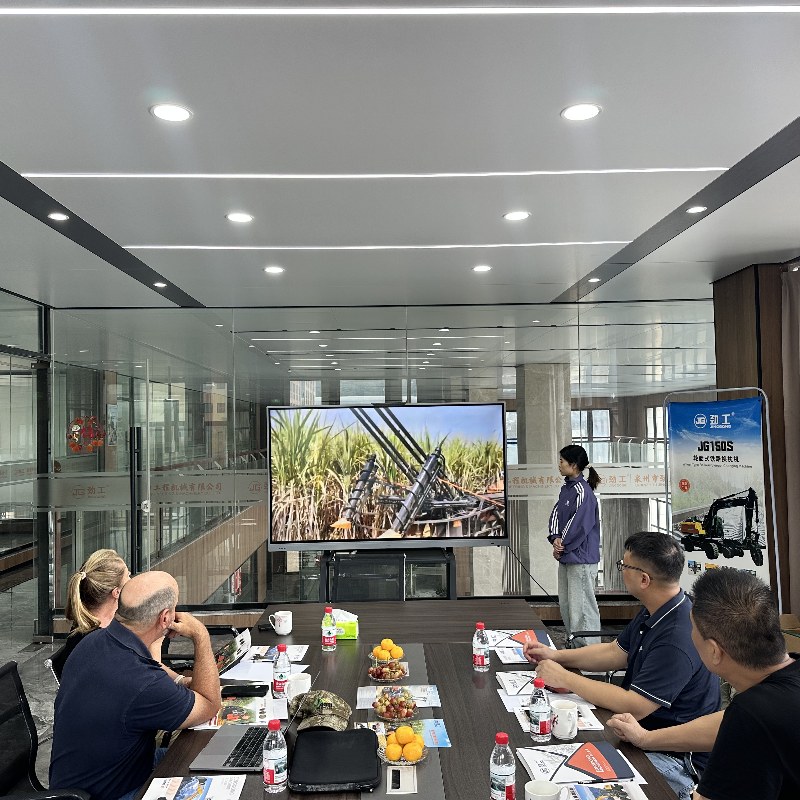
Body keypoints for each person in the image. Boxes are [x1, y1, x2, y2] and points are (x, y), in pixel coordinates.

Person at [523, 531, 720, 800]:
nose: (621, 570)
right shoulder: (659, 608)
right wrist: (557, 656)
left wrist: (566, 678)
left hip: (672, 759)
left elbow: (635, 705)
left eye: (624, 566)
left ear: (644, 579)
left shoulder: (676, 635)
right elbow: (615, 652)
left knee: (566, 781)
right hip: (634, 733)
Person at [607, 568, 800, 800]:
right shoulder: (775, 693)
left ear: (714, 651)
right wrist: (645, 738)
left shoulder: (752, 714)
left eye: (692, 630)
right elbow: (725, 722)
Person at [49, 571, 222, 800]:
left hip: (90, 780)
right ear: (165, 618)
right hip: (111, 794)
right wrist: (200, 635)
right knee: (216, 775)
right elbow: (209, 704)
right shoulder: (142, 681)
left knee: (209, 758)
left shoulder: (92, 642)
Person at [549, 444, 602, 647]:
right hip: (568, 556)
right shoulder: (567, 489)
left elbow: (579, 525)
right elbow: (556, 515)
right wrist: (555, 538)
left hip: (580, 558)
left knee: (582, 609)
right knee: (568, 606)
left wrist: (562, 545)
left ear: (573, 465)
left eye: (561, 461)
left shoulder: (583, 491)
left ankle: (589, 654)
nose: (559, 464)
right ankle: (574, 648)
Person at [56, 549, 130, 671]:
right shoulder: (99, 643)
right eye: (128, 576)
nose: (131, 580)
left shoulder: (99, 629)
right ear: (116, 592)